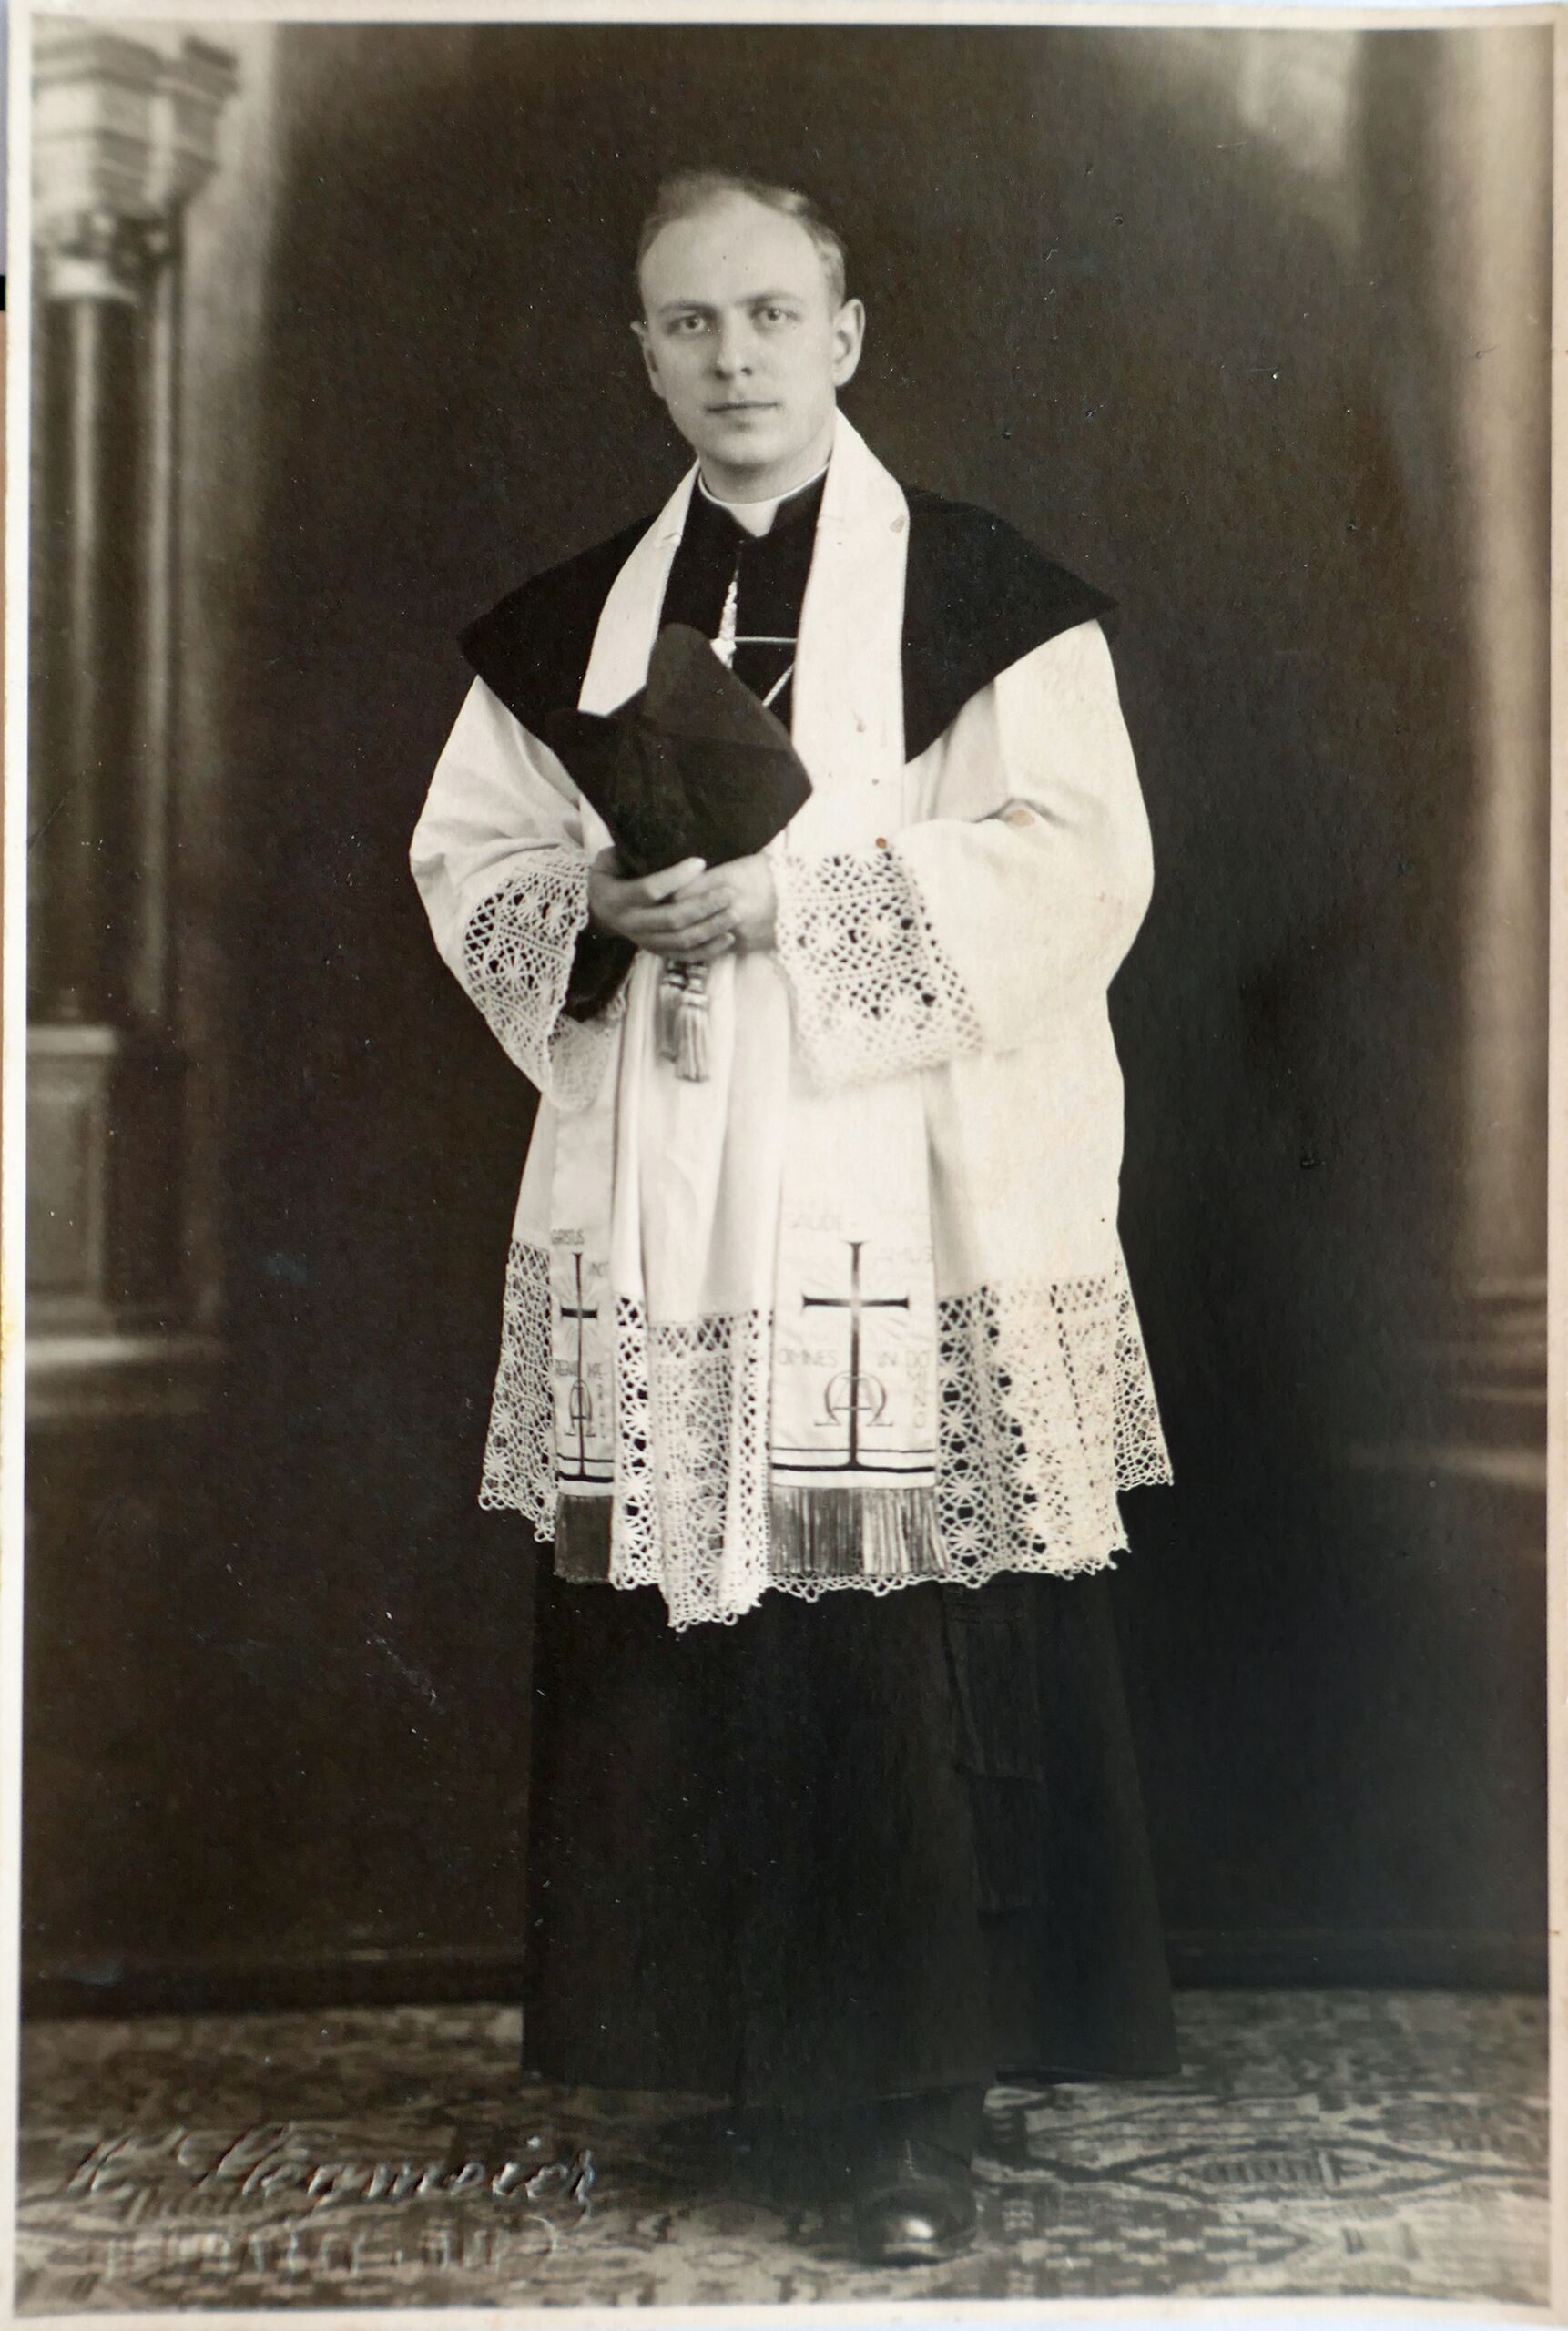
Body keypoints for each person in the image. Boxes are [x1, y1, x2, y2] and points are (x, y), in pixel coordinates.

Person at [411, 168, 1177, 2266]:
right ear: (643, 356)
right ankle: (745, 2069)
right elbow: (470, 860)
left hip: (889, 1190)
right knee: (691, 1631)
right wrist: (594, 903)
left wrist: (800, 901)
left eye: (769, 314)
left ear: (844, 334)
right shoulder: (575, 618)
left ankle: (912, 2112)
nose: (732, 356)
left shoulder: (986, 595)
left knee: (882, 1638)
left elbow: (1079, 860)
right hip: (671, 1185)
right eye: (690, 323)